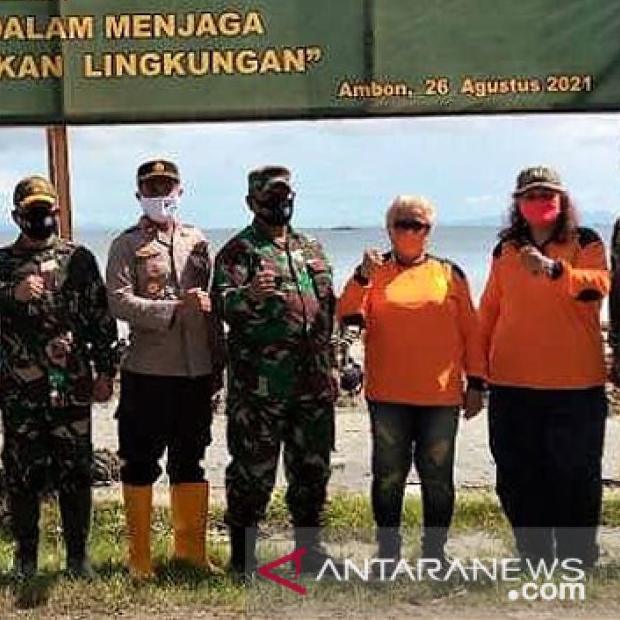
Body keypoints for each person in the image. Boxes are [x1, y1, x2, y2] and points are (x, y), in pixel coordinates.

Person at [0, 176, 119, 579]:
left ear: (57, 212)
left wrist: (106, 371)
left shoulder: (79, 259)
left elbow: (100, 321)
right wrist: (12, 294)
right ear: (17, 216)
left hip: (72, 387)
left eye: (47, 211)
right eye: (32, 212)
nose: (41, 219)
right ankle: (26, 557)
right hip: (22, 390)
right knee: (22, 474)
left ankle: (77, 557)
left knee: (77, 471)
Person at [336, 195, 484, 562]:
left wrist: (477, 383)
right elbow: (347, 314)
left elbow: (472, 332)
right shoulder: (374, 272)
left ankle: (435, 553)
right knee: (387, 476)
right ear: (389, 229)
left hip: (441, 397)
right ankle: (388, 551)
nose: (410, 231)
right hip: (388, 396)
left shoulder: (450, 274)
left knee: (438, 478)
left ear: (429, 231)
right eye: (402, 224)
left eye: (417, 225)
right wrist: (360, 276)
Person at [211, 165, 337, 576]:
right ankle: (243, 560)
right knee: (252, 473)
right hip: (260, 386)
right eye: (270, 198)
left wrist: (336, 363)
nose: (279, 204)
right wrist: (249, 294)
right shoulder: (238, 251)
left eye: (285, 196)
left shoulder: (312, 247)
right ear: (252, 203)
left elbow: (327, 311)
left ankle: (309, 552)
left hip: (313, 381)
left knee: (312, 468)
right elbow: (222, 307)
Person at [481, 166, 610, 567]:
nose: (540, 202)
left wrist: (554, 270)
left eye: (548, 195)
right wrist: (474, 372)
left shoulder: (584, 240)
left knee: (576, 476)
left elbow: (598, 285)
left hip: (575, 385)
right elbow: (488, 311)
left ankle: (577, 556)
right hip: (511, 383)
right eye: (531, 195)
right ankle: (533, 554)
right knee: (516, 476)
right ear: (518, 203)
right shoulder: (505, 248)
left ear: (563, 201)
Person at [105, 159, 221, 577]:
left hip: (195, 370)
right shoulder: (126, 244)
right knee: (140, 462)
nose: (161, 195)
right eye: (152, 188)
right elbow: (118, 301)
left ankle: (190, 553)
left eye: (167, 187)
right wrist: (173, 308)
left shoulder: (198, 240)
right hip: (149, 370)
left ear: (180, 191)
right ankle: (140, 558)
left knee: (190, 460)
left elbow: (211, 296)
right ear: (139, 194)